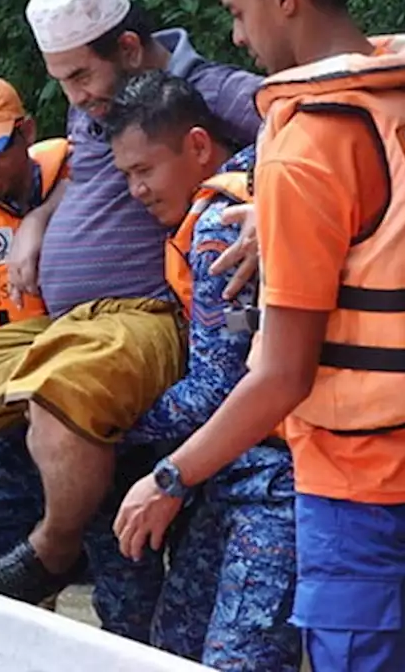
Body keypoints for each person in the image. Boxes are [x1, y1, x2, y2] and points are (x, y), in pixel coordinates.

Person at [115, 0, 405, 672]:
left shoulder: (309, 149)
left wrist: (169, 477)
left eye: (236, 11)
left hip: (359, 483)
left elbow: (281, 374)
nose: (236, 36)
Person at [0, 0, 263, 610]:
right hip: (68, 321)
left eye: (81, 76)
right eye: (62, 81)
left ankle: (53, 551)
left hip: (146, 315)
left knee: (59, 392)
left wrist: (276, 199)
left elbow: (310, 123)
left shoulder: (202, 89)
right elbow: (87, 178)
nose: (76, 94)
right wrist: (40, 217)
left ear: (128, 48)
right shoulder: (96, 100)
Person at [106, 70, 299, 670]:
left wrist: (107, 427)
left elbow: (217, 389)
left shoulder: (219, 224)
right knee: (177, 646)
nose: (136, 191)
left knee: (231, 660)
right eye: (126, 176)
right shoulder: (261, 179)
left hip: (272, 480)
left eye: (145, 170)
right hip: (230, 474)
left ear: (196, 146)